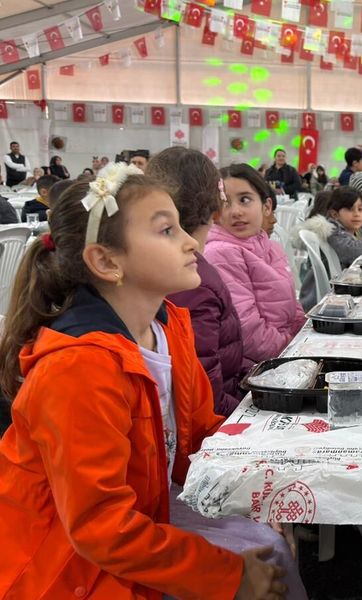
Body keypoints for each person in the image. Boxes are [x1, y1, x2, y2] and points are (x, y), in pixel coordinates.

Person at [0, 164, 295, 599]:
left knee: (268, 546)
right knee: (264, 562)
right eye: (166, 231)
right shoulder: (78, 369)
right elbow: (101, 528)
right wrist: (226, 576)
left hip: (142, 514)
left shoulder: (169, 325)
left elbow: (196, 433)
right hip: (67, 567)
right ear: (106, 260)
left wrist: (268, 476)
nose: (192, 241)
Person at [147, 147, 249, 416]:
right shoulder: (190, 280)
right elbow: (205, 401)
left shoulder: (172, 268)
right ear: (218, 208)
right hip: (211, 427)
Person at [209, 164, 305, 363]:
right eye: (224, 202)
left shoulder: (272, 248)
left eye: (245, 200)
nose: (235, 211)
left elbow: (293, 307)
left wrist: (304, 337)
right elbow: (249, 333)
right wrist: (294, 349)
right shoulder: (221, 253)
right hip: (255, 368)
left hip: (285, 353)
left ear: (266, 206)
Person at [297, 188, 362, 310]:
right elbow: (348, 251)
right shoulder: (332, 230)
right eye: (350, 209)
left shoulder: (349, 231)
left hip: (339, 292)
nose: (357, 214)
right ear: (334, 214)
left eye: (360, 209)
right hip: (321, 299)